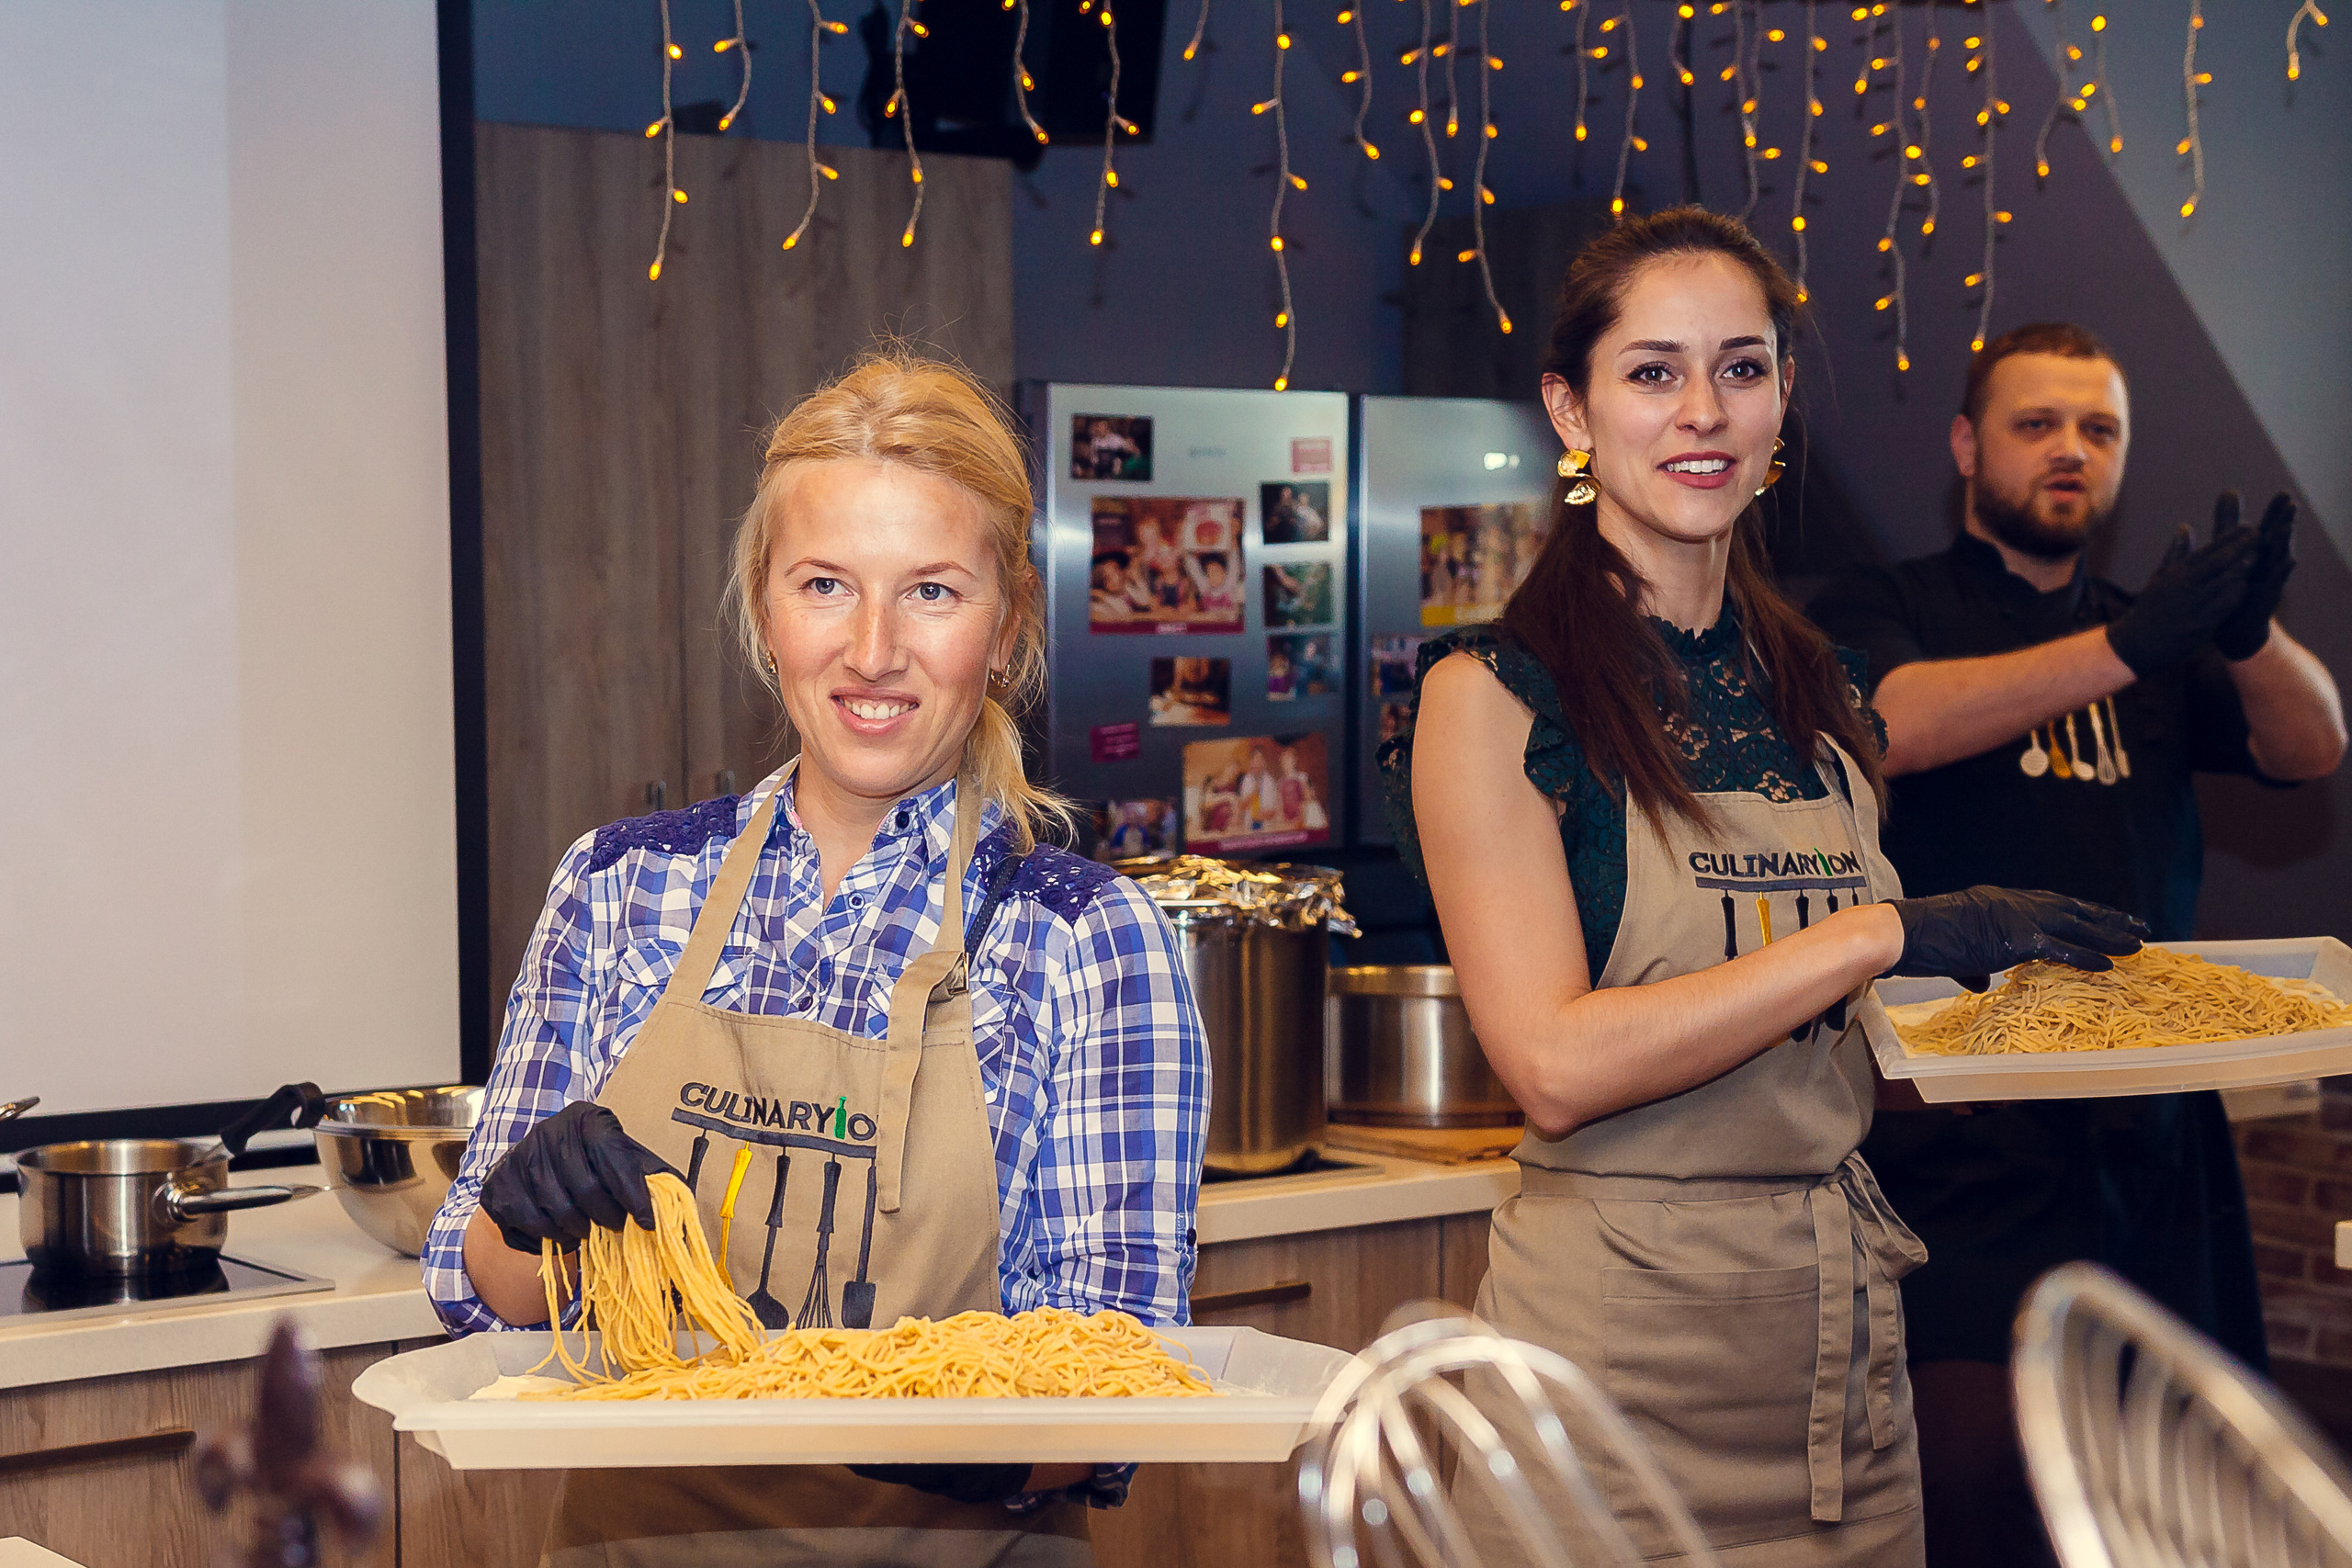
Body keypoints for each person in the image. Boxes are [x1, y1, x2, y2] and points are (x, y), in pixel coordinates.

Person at [1384, 209, 2148, 1566]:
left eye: (1742, 368)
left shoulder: (1822, 692)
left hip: (1842, 1361)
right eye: (1652, 371)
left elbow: (1821, 1041)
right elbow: (1554, 1061)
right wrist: (1884, 934)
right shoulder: (1490, 699)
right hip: (1611, 1364)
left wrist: (2059, 1029)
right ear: (1573, 409)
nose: (1704, 411)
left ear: (1782, 399)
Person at [424, 353, 1212, 1566]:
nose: (874, 649)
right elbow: (481, 1294)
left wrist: (966, 1438)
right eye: (827, 585)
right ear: (764, 609)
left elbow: (1115, 1377)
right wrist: (523, 1226)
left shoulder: (1084, 942)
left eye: (935, 593)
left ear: (1006, 634)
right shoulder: (622, 889)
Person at [1807, 321, 2347, 1568]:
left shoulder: (2155, 626)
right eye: (2036, 424)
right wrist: (2127, 650)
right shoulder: (1887, 600)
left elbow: (2311, 748)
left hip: (2153, 1128)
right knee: (1980, 1477)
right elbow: (1891, 724)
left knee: (2169, 1471)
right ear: (1965, 446)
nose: (2070, 450)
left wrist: (2249, 633)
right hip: (1956, 1127)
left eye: (2098, 430)